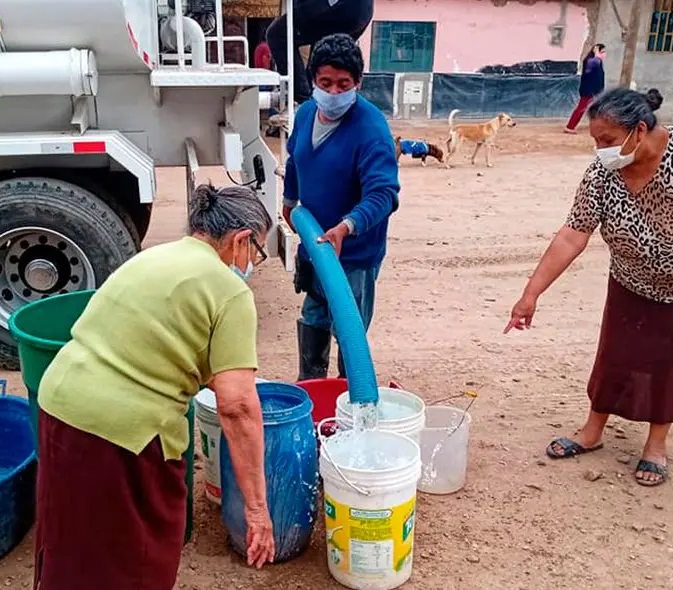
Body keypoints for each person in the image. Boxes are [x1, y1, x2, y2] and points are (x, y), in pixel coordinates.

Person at [33, 184, 276, 589]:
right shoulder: (229, 290)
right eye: (258, 252)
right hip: (123, 434)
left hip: (60, 402)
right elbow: (237, 407)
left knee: (73, 541)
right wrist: (256, 510)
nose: (253, 263)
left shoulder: (155, 257)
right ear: (241, 240)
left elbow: (153, 338)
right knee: (137, 556)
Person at [505, 88, 673, 488]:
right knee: (615, 356)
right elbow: (572, 234)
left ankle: (656, 445)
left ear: (640, 130)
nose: (601, 150)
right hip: (631, 280)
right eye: (596, 141)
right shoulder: (603, 172)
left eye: (607, 140)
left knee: (672, 363)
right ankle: (591, 432)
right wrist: (531, 294)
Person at [282, 33, 400, 380]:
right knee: (315, 316)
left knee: (350, 333)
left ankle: (353, 398)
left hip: (353, 255)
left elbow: (384, 194)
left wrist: (346, 227)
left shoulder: (370, 128)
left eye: (343, 84)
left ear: (358, 82)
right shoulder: (306, 113)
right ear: (313, 80)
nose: (333, 93)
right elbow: (295, 159)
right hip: (316, 247)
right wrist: (289, 201)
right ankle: (312, 387)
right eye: (325, 83)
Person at [266, 0, 374, 107]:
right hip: (363, 11)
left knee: (278, 34)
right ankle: (313, 100)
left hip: (337, 7)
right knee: (323, 55)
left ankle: (304, 100)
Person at [564, 43, 606, 134]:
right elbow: (594, 63)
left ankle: (600, 127)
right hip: (588, 90)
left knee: (599, 109)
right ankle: (570, 126)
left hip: (597, 91)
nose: (604, 54)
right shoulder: (590, 61)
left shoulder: (598, 62)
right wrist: (596, 54)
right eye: (602, 52)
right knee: (581, 108)